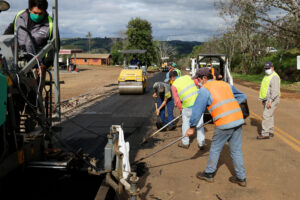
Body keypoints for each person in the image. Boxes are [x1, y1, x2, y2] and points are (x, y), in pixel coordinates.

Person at [186, 67, 247, 187]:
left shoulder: (204, 90)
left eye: (198, 80)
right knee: (236, 151)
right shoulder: (225, 84)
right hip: (238, 120)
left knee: (215, 148)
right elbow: (242, 96)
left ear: (204, 78)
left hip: (224, 123)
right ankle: (241, 178)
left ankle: (209, 174)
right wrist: (232, 106)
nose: (197, 82)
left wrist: (192, 127)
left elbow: (197, 110)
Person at [168, 70, 205, 150]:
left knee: (185, 124)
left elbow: (177, 100)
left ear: (172, 77)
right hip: (198, 104)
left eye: (170, 79)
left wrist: (181, 108)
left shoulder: (174, 85)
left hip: (187, 107)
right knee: (200, 124)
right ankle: (201, 143)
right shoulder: (188, 77)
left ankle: (185, 143)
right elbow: (198, 83)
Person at [257, 61, 280, 139]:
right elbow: (265, 89)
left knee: (266, 115)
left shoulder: (274, 77)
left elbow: (275, 91)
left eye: (268, 68)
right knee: (269, 115)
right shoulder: (267, 76)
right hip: (266, 99)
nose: (267, 69)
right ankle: (270, 131)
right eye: (265, 68)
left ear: (272, 68)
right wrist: (263, 100)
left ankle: (265, 133)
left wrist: (270, 101)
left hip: (272, 99)